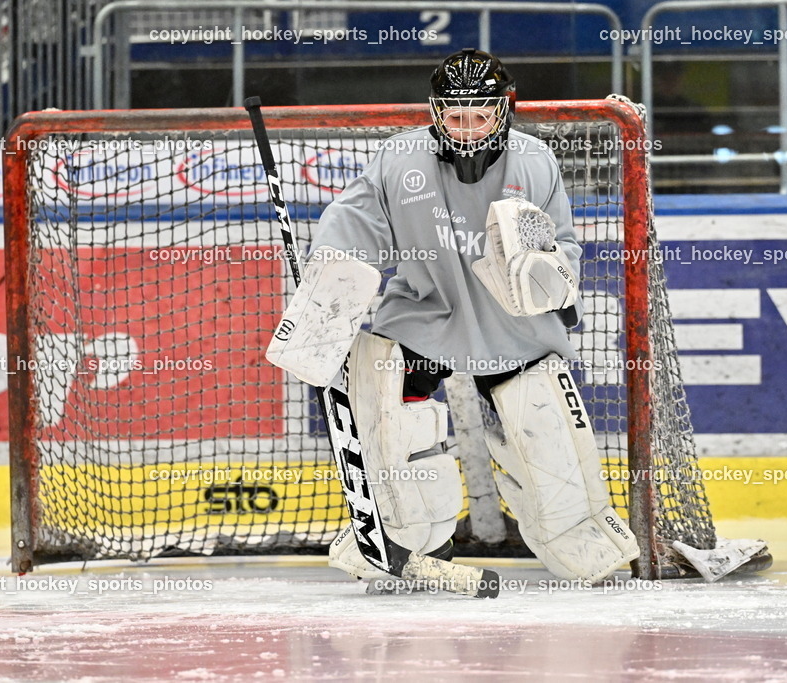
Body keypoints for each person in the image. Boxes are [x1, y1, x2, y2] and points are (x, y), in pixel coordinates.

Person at [266, 48, 639, 583]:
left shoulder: (534, 161)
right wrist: (329, 295)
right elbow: (355, 225)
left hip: (516, 331)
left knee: (551, 445)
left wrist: (544, 275)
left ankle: (581, 545)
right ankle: (404, 540)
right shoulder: (400, 159)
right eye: (454, 116)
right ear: (436, 112)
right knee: (391, 421)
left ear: (504, 110)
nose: (465, 130)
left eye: (479, 116)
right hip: (426, 316)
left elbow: (561, 246)